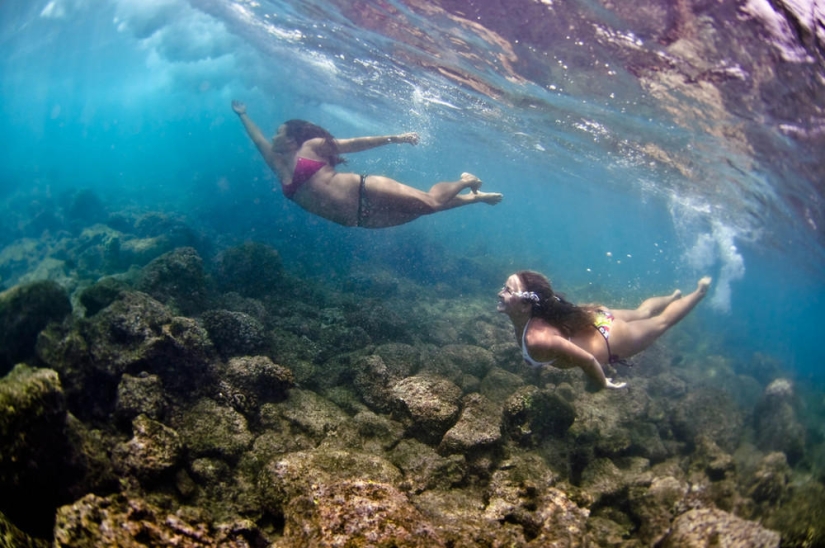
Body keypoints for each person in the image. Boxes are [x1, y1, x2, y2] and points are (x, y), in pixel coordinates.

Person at [231, 101, 503, 228]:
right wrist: (243, 114)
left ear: (291, 139)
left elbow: (355, 143)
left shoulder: (310, 147)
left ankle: (466, 180)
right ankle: (475, 199)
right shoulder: (279, 168)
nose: (273, 136)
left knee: (430, 202)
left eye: (278, 132)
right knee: (426, 210)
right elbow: (257, 140)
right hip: (362, 218)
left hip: (366, 190)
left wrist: (395, 138)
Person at [497, 270, 712, 390]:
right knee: (644, 311)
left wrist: (601, 383)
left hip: (612, 340)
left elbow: (588, 360)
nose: (500, 293)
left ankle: (699, 292)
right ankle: (673, 297)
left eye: (507, 290)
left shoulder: (538, 339)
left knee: (663, 322)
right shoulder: (536, 312)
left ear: (526, 305)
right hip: (596, 317)